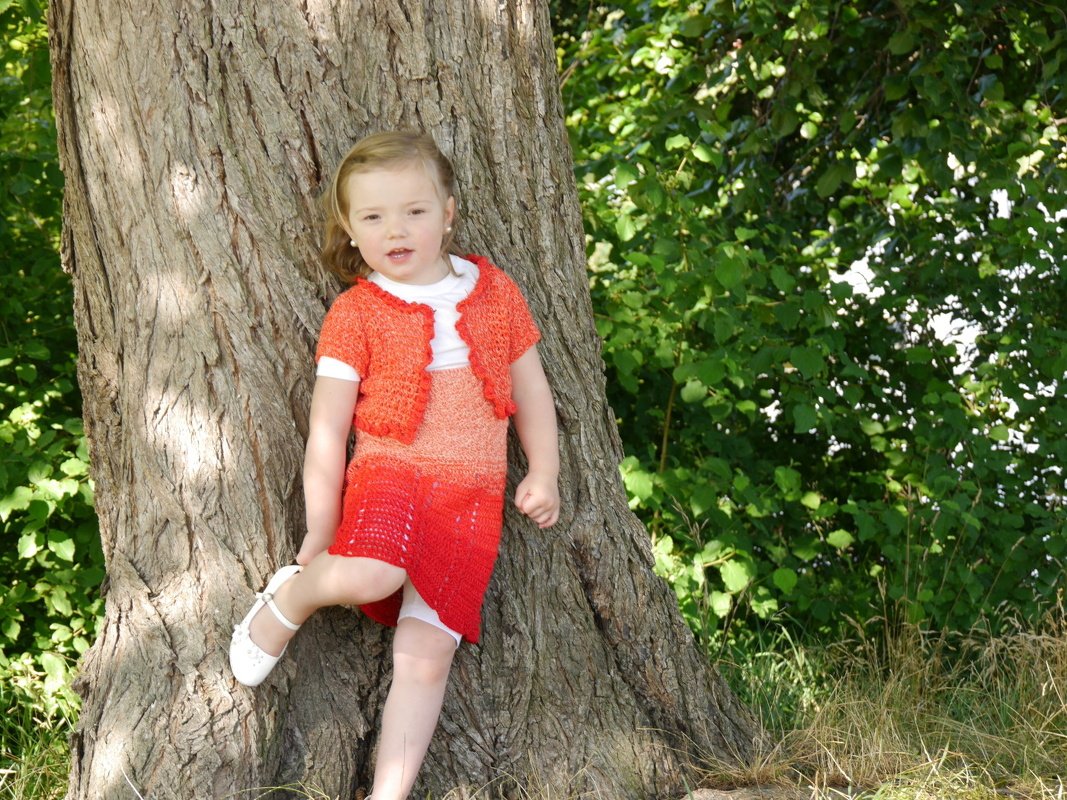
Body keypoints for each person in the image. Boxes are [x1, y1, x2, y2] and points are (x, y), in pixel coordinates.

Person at [228, 130, 560, 800]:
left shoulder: (495, 294)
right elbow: (327, 430)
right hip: (393, 476)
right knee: (375, 570)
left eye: (414, 210)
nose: (396, 229)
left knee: (426, 654)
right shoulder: (357, 313)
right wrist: (319, 538)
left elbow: (531, 390)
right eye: (373, 217)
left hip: (471, 496)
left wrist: (543, 471)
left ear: (449, 211)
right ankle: (294, 593)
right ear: (350, 229)